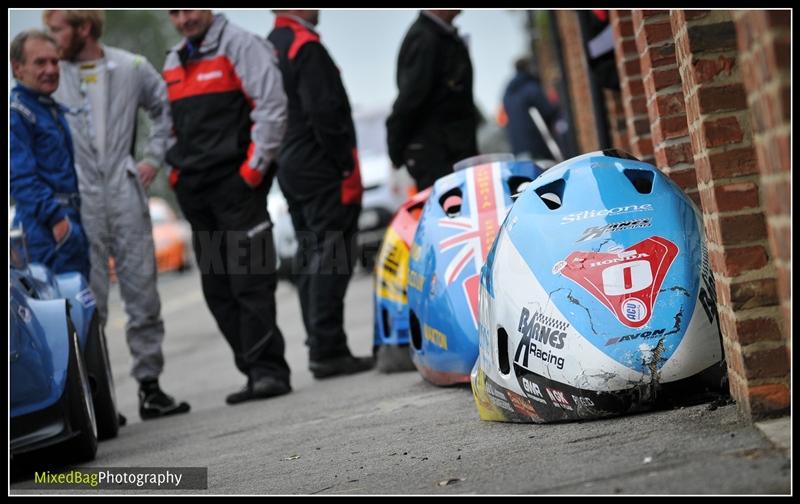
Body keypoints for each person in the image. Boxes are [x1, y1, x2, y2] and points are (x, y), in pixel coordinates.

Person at [44, 10, 190, 420]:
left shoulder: (131, 67)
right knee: (87, 300)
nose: (52, 39)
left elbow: (165, 109)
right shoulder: (54, 78)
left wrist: (151, 159)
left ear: (84, 28)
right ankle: (97, 399)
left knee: (142, 290)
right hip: (79, 198)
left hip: (124, 189)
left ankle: (150, 387)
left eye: (57, 30)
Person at [164, 10, 292, 404]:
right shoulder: (173, 60)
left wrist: (250, 175)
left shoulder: (242, 44)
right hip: (195, 193)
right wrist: (174, 175)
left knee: (250, 280)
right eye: (174, 13)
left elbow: (271, 109)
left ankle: (269, 371)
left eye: (189, 9)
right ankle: (253, 370)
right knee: (217, 288)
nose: (184, 19)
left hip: (236, 187)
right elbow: (166, 124)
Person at [268, 10, 374, 379]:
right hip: (319, 165)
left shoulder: (271, 46)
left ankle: (320, 344)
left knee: (311, 252)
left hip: (290, 163)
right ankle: (328, 349)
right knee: (333, 253)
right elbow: (325, 111)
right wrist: (343, 161)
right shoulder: (305, 46)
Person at [10, 30, 90, 279]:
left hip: (68, 222)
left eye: (54, 61)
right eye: (40, 62)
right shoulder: (17, 114)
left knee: (80, 309)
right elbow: (20, 179)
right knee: (58, 313)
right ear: (17, 69)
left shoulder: (48, 108)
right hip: (43, 231)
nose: (51, 69)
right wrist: (57, 221)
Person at [386, 10, 479, 190]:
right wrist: (396, 150)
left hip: (451, 151)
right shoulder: (425, 38)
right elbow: (409, 100)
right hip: (439, 155)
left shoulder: (441, 35)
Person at [502, 57, 560, 161]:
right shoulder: (531, 88)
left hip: (518, 149)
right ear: (528, 68)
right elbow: (547, 111)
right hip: (537, 146)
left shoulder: (508, 95)